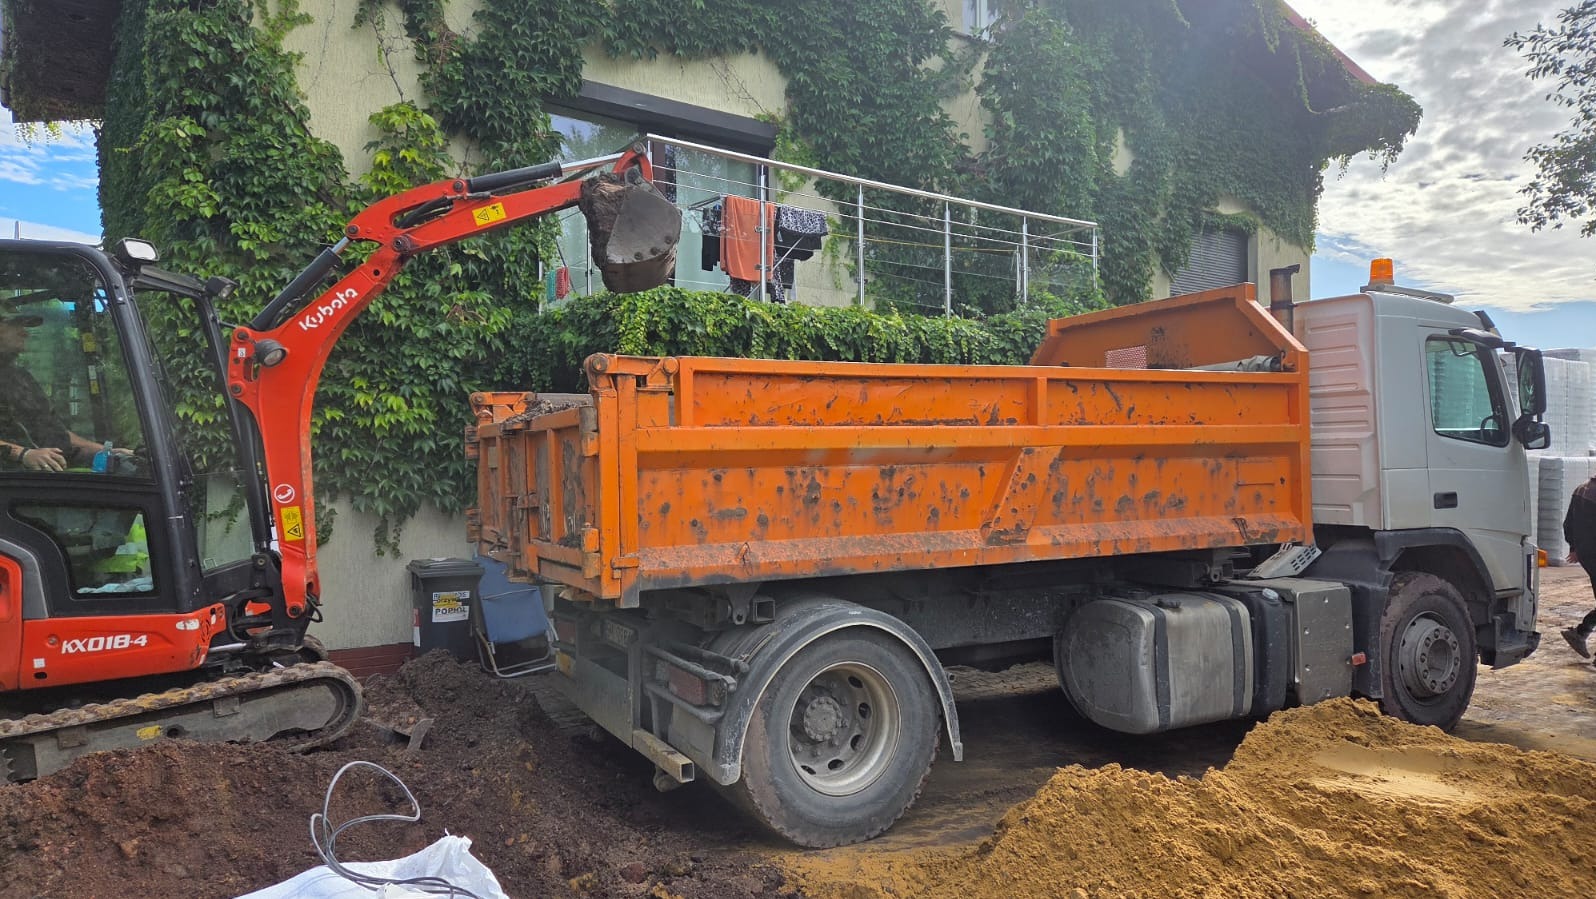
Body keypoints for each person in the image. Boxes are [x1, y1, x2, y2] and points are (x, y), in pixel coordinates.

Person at [0, 303, 111, 472]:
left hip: (48, 474)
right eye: (16, 325)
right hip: (13, 484)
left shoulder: (21, 378)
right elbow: (29, 455)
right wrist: (23, 454)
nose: (25, 332)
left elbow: (54, 430)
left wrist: (107, 452)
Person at [1560, 473, 1596, 659]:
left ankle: (1580, 633)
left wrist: (1575, 547)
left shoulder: (1581, 489)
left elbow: (1568, 524)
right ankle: (1580, 633)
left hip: (1585, 554)